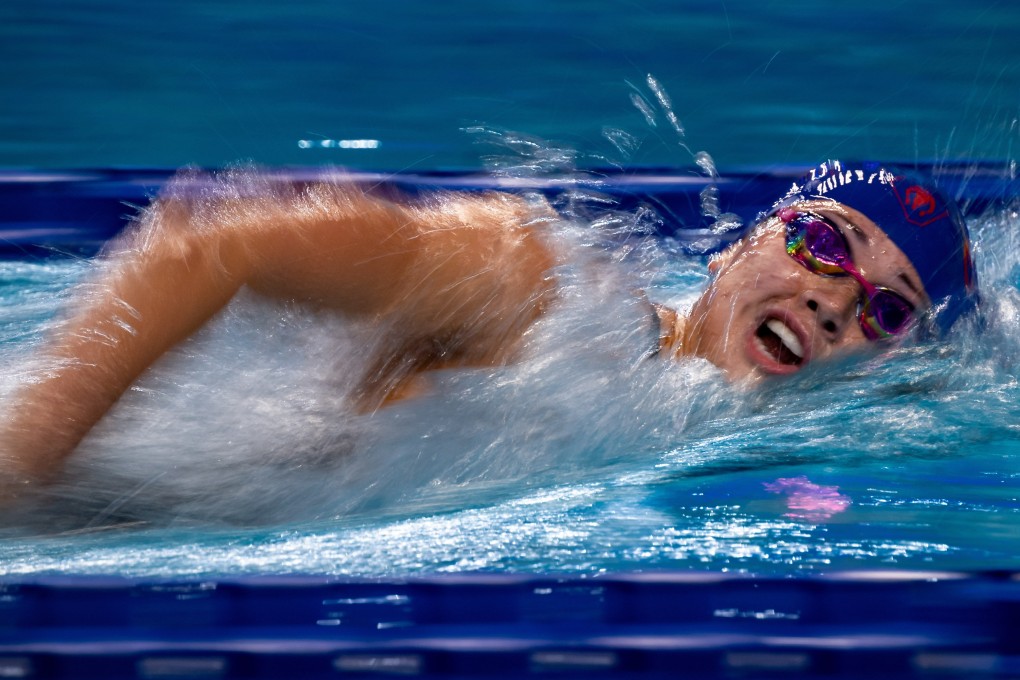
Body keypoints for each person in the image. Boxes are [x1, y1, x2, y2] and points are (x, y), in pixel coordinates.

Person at [0, 160, 978, 496]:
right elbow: (215, 246)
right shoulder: (550, 294)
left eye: (890, 311)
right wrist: (27, 461)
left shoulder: (698, 439)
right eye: (821, 242)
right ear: (730, 248)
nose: (835, 299)